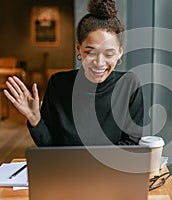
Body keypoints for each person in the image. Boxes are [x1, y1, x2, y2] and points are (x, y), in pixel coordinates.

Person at [3, 0, 144, 146]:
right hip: (66, 168)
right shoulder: (58, 84)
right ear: (78, 49)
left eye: (108, 54)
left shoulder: (129, 84)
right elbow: (50, 147)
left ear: (120, 52)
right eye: (90, 53)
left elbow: (131, 145)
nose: (99, 62)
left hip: (112, 169)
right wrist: (35, 119)